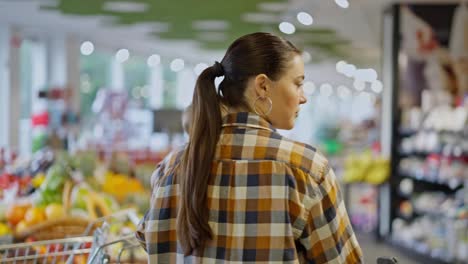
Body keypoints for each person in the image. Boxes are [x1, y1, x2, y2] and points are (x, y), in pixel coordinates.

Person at [136, 32, 363, 263]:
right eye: (298, 83)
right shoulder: (306, 169)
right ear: (263, 86)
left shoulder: (171, 167)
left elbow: (150, 240)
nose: (303, 97)